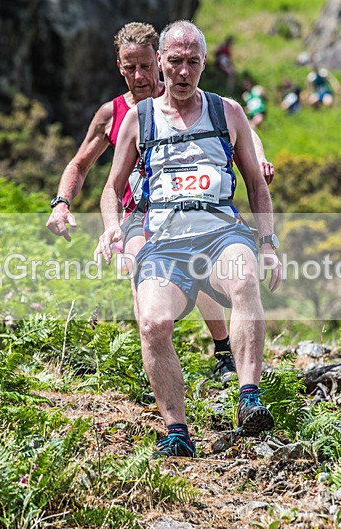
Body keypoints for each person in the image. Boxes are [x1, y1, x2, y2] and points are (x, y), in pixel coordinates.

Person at [45, 22, 275, 385]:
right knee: (141, 270)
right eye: (128, 68)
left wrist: (258, 160)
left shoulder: (187, 94)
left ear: (158, 61)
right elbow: (80, 164)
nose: (138, 76)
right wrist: (62, 203)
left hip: (191, 207)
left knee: (207, 256)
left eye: (145, 66)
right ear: (119, 67)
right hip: (137, 212)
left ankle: (224, 350)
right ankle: (154, 361)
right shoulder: (115, 114)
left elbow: (243, 129)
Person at [96, 20, 283, 458]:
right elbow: (111, 187)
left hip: (221, 233)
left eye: (192, 63)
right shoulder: (139, 120)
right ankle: (177, 432)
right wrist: (112, 227)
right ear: (161, 62)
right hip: (165, 243)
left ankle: (249, 397)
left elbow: (256, 183)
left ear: (203, 64)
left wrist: (269, 242)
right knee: (153, 323)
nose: (183, 72)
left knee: (243, 281)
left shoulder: (227, 111)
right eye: (175, 62)